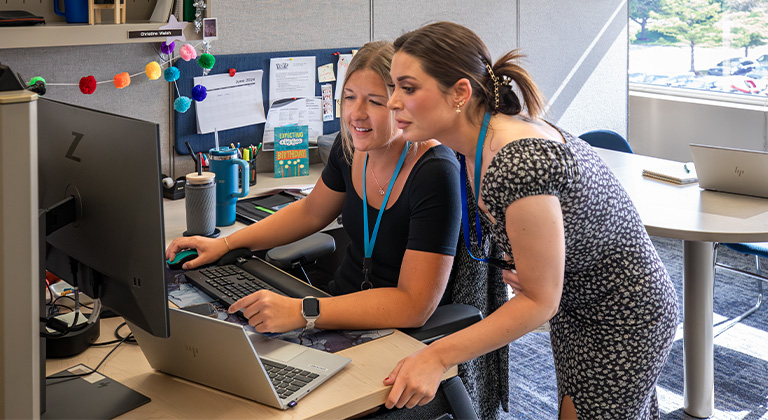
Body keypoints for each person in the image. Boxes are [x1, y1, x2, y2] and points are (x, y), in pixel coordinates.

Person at [383, 21, 678, 419]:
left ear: (460, 93)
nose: (393, 102)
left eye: (408, 87)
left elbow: (540, 300)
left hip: (625, 314)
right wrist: (546, 275)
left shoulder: (516, 160)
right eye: (393, 87)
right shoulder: (477, 146)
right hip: (578, 301)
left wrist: (436, 357)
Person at [166, 40, 462, 334]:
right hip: (337, 307)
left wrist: (302, 311)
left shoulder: (434, 172)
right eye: (349, 97)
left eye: (374, 101)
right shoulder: (349, 148)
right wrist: (224, 244)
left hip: (397, 331)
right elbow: (310, 211)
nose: (356, 113)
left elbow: (414, 306)